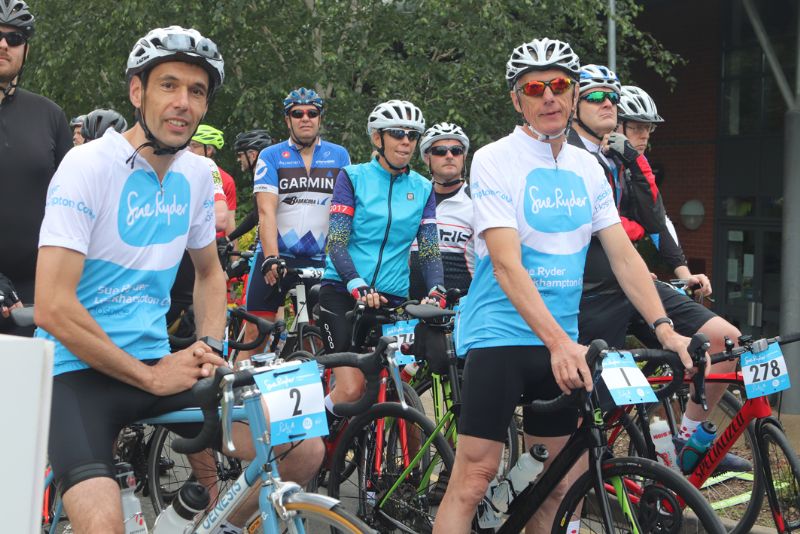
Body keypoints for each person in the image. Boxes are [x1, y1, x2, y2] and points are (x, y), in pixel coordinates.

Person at [33, 26, 322, 534]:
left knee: (301, 448)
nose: (182, 102)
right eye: (169, 85)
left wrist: (209, 347)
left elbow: (209, 271)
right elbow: (53, 305)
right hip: (74, 371)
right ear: (137, 92)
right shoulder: (86, 166)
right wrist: (149, 376)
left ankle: (204, 528)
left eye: (197, 91)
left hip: (154, 363)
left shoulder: (193, 175)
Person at [433, 39, 698, 534]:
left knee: (556, 484)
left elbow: (623, 256)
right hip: (501, 335)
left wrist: (665, 329)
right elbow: (508, 266)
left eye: (560, 85)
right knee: (474, 478)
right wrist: (557, 341)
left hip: (564, 344)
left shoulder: (587, 167)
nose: (549, 96)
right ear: (518, 99)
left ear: (574, 93)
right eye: (535, 87)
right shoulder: (494, 159)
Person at [571, 70, 743, 448]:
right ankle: (597, 485)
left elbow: (656, 221)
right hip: (592, 293)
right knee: (591, 426)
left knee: (724, 341)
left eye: (611, 99)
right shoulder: (567, 156)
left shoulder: (621, 159)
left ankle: (684, 442)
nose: (644, 136)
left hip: (631, 281)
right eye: (596, 97)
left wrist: (632, 160)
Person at [319, 99, 446, 419]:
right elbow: (336, 242)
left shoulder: (422, 187)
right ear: (378, 138)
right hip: (343, 291)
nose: (406, 141)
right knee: (351, 390)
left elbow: (429, 249)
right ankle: (317, 439)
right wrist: (356, 283)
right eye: (398, 133)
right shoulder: (352, 177)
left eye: (412, 136)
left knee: (393, 391)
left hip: (391, 297)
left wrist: (437, 288)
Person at [242, 88, 350, 356]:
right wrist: (270, 257)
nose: (305, 118)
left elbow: (344, 212)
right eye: (297, 113)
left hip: (317, 259)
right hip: (276, 257)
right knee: (258, 333)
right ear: (287, 119)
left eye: (312, 113)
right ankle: (238, 393)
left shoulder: (339, 156)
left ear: (320, 118)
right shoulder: (271, 155)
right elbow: (266, 212)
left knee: (321, 334)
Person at [0, 0, 72, 335]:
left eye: (14, 39)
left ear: (25, 49)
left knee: (23, 389)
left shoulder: (50, 115)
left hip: (34, 296)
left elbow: (74, 207)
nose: (4, 44)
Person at [409, 122, 474, 299]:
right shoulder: (413, 199)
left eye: (456, 150)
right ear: (427, 158)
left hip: (460, 311)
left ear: (463, 156)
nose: (449, 155)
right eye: (440, 151)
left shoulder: (477, 202)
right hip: (410, 310)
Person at [189, 123, 237, 237]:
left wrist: (234, 254)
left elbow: (230, 221)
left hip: (215, 244)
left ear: (209, 149)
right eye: (188, 146)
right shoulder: (182, 173)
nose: (189, 151)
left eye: (194, 146)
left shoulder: (226, 180)